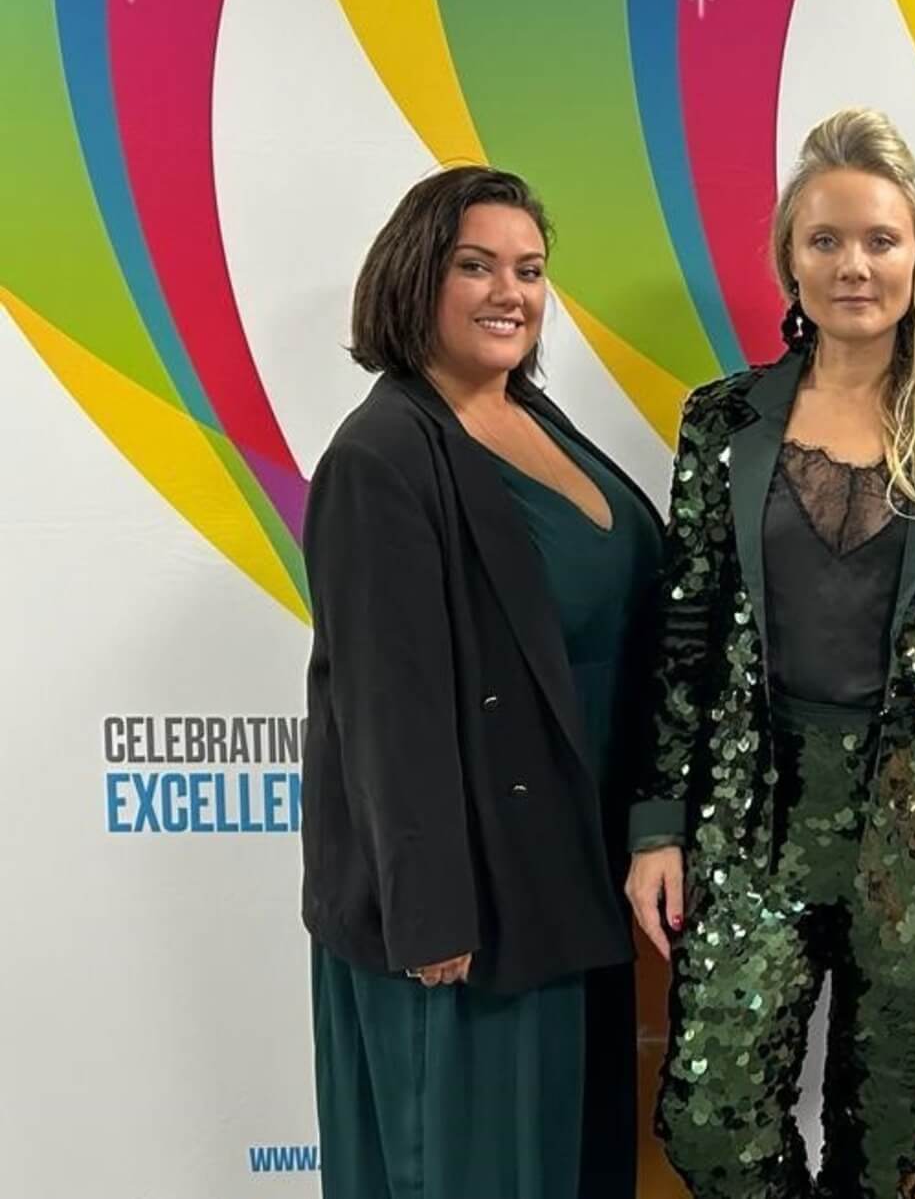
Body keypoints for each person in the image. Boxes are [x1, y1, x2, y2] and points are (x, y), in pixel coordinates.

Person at [624, 108, 915, 1198]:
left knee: (884, 1154)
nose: (852, 265)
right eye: (824, 241)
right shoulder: (722, 423)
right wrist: (654, 823)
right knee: (709, 1121)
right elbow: (685, 637)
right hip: (751, 824)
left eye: (878, 239)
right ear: (789, 259)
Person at [300, 166, 661, 1198]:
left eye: (530, 269)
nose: (510, 291)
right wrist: (431, 917)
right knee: (463, 1170)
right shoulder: (384, 454)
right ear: (417, 277)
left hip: (564, 878)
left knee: (562, 1166)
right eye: (477, 265)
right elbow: (385, 706)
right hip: (467, 914)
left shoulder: (530, 415)